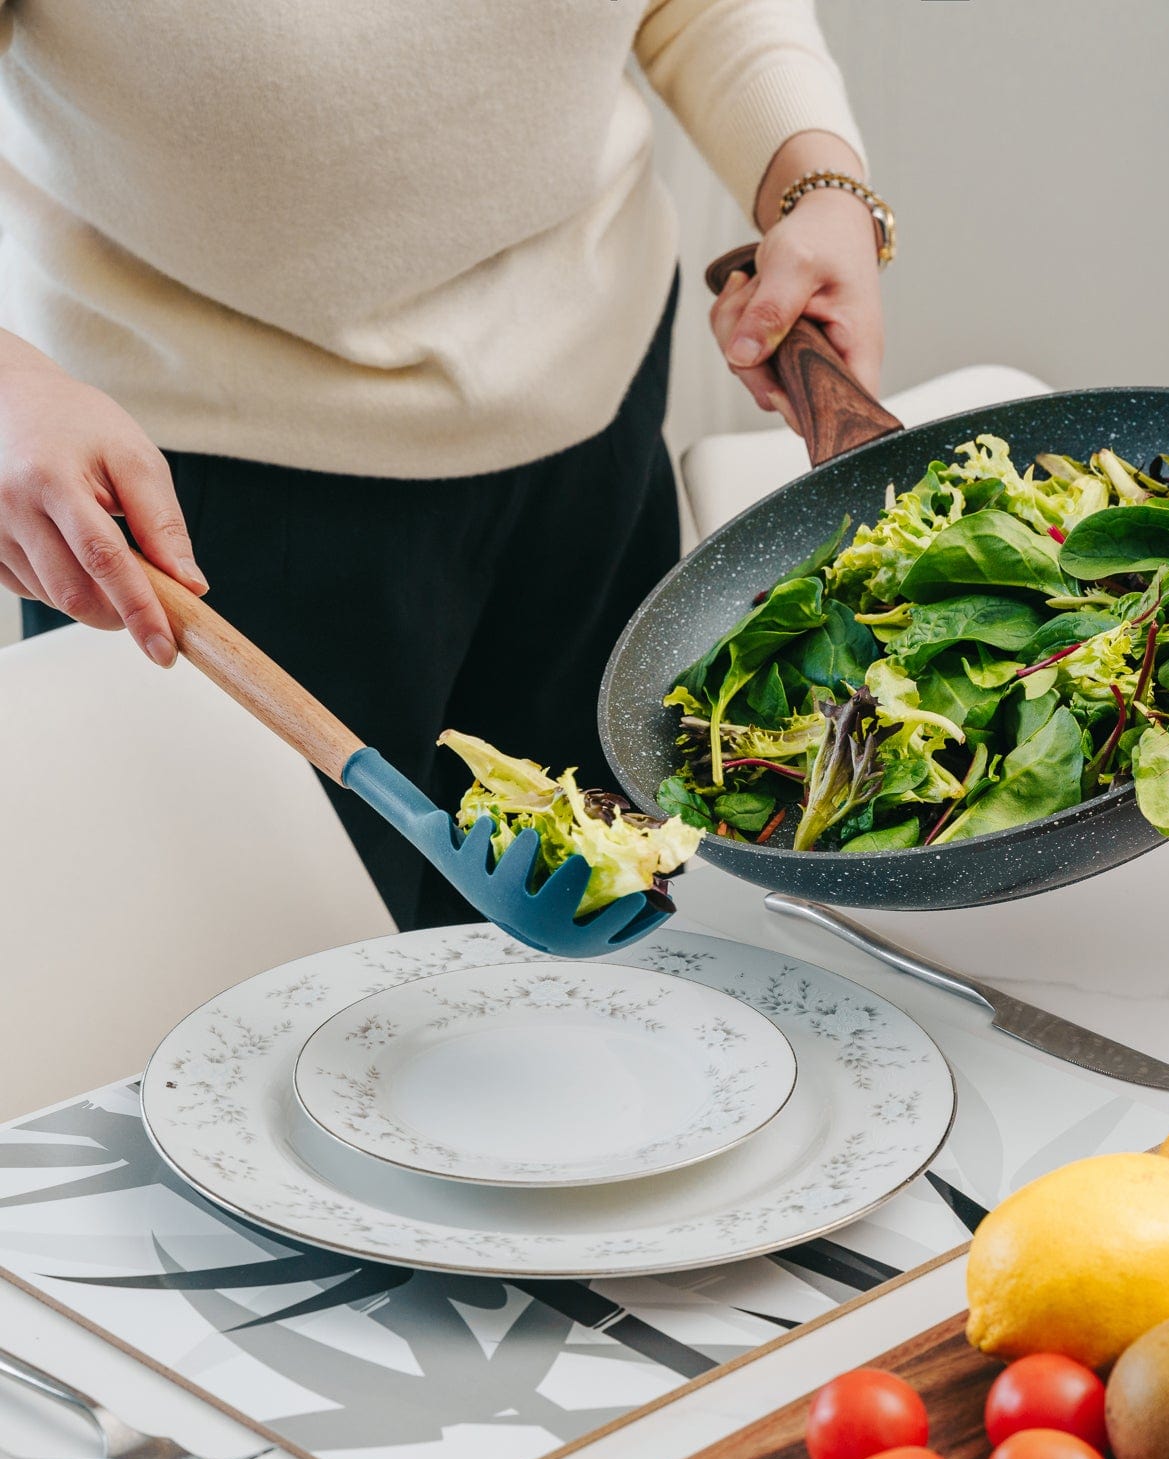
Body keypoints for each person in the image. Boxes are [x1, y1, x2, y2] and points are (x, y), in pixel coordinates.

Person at [0, 2, 888, 928]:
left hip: (592, 426)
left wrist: (815, 177)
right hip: (184, 504)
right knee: (233, 992)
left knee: (594, 966)